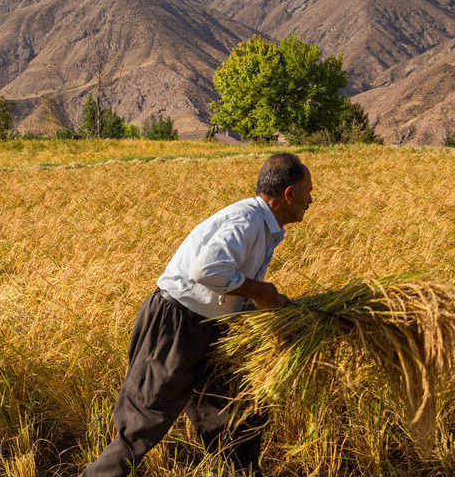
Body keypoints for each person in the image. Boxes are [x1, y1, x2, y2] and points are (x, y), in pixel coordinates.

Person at [82, 152, 314, 477]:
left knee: (238, 413)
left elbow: (230, 285)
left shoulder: (264, 226)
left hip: (210, 328)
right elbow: (207, 270)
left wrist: (274, 308)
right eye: (308, 191)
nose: (311, 200)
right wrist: (259, 292)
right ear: (289, 194)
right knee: (142, 424)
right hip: (176, 326)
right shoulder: (248, 219)